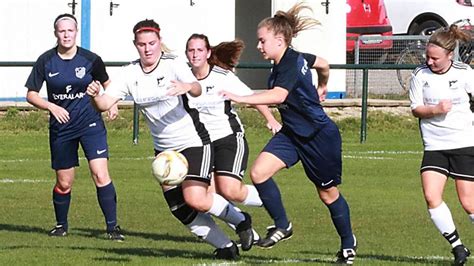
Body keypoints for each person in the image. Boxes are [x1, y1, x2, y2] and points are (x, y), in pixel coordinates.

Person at [86, 19, 254, 260]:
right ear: (135, 45)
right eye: (142, 44)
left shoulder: (173, 64)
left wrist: (186, 85)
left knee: (195, 197)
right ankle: (225, 247)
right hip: (164, 152)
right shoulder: (128, 73)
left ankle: (240, 220)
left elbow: (196, 87)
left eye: (152, 43)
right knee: (179, 208)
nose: (148, 49)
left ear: (159, 42)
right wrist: (96, 95)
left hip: (194, 141)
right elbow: (103, 104)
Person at [219, 3, 357, 264]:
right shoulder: (293, 59)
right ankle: (283, 225)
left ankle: (348, 243)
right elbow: (324, 64)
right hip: (292, 133)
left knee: (327, 193)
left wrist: (240, 97)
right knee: (258, 173)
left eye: (262, 41)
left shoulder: (291, 63)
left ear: (279, 40)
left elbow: (279, 95)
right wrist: (323, 85)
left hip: (318, 135)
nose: (258, 46)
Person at [25, 13, 123, 241]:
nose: (66, 34)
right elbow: (31, 94)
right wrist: (52, 107)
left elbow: (109, 85)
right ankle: (61, 225)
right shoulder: (46, 61)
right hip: (62, 128)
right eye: (62, 31)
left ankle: (112, 228)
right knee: (64, 182)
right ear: (56, 33)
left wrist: (111, 103)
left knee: (100, 174)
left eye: (70, 30)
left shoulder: (91, 59)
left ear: (76, 32)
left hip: (90, 124)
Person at [185, 34, 282, 244]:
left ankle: (270, 199)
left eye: (199, 50)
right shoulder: (183, 77)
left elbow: (253, 97)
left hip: (228, 137)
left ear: (208, 53)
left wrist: (270, 119)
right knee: (209, 194)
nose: (195, 54)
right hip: (202, 144)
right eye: (191, 50)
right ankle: (246, 229)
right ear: (186, 53)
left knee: (230, 190)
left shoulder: (222, 76)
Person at [409, 24, 474, 266]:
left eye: (435, 58)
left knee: (469, 202)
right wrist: (435, 110)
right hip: (434, 145)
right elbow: (416, 109)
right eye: (427, 56)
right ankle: (458, 247)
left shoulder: (465, 72)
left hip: (464, 143)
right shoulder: (419, 75)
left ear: (449, 55)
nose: (430, 61)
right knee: (431, 195)